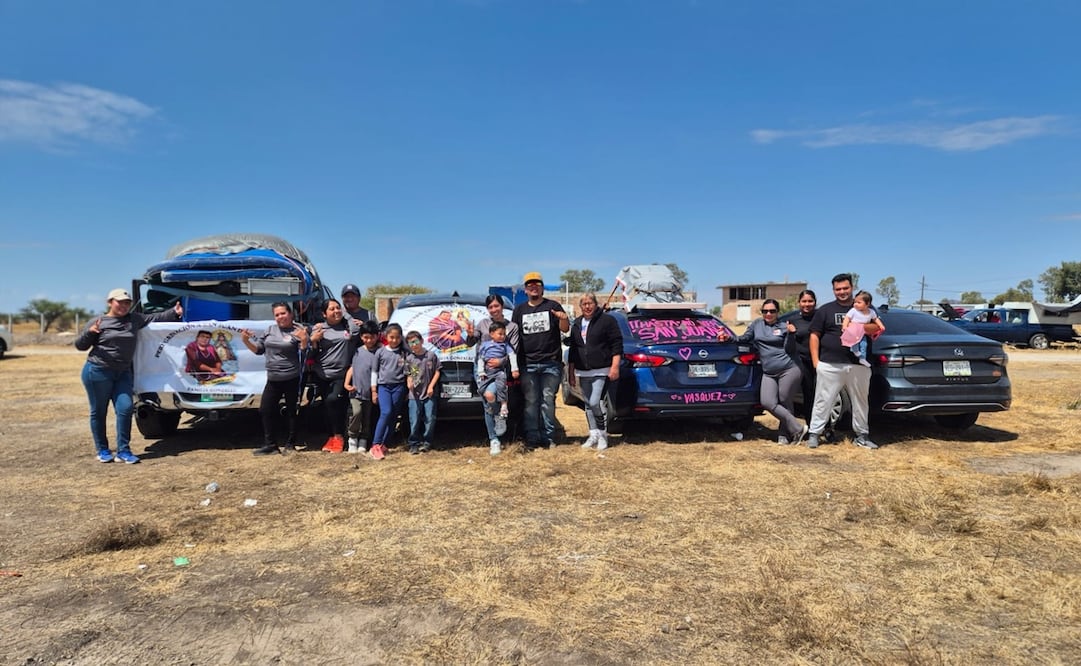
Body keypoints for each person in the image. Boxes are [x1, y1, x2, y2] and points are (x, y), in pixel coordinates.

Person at [75, 288, 183, 464]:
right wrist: (90, 333)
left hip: (123, 372)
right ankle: (102, 449)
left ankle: (123, 451)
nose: (124, 306)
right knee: (98, 411)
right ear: (110, 302)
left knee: (125, 409)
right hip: (98, 371)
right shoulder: (98, 321)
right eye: (120, 302)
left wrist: (174, 312)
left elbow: (156, 318)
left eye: (127, 303)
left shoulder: (134, 319)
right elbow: (80, 346)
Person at [807, 274, 881, 450]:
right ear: (833, 290)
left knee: (861, 401)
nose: (842, 292)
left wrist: (859, 326)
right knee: (823, 400)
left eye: (845, 288)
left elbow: (876, 327)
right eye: (838, 289)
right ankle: (814, 434)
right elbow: (814, 336)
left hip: (859, 364)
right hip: (830, 363)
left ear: (852, 288)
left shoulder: (866, 308)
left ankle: (862, 435)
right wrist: (816, 362)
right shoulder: (825, 310)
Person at [720, 299, 806, 445]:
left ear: (778, 313)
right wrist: (728, 338)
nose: (768, 314)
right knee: (767, 402)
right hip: (769, 371)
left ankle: (784, 435)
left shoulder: (784, 326)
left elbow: (791, 350)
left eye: (772, 311)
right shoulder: (757, 325)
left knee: (785, 400)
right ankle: (798, 427)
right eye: (765, 311)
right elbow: (744, 339)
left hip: (789, 368)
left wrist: (791, 334)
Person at [241, 302, 309, 456]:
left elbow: (305, 356)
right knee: (265, 410)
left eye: (283, 313)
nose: (280, 317)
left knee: (292, 411)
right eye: (277, 315)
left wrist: (304, 341)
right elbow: (259, 350)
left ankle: (291, 444)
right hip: (273, 378)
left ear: (290, 314)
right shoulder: (270, 330)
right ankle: (271, 445)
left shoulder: (298, 331)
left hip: (292, 377)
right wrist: (246, 341)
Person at [511, 272, 570, 449]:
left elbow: (565, 329)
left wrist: (563, 319)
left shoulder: (553, 305)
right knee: (531, 402)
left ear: (542, 288)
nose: (533, 287)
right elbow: (514, 336)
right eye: (530, 285)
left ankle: (549, 437)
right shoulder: (519, 310)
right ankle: (532, 437)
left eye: (537, 284)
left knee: (547, 401)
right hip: (527, 364)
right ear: (526, 290)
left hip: (550, 363)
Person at [565, 292, 623, 451]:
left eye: (590, 303)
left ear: (596, 304)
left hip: (601, 369)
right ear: (580, 306)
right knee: (588, 405)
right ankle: (593, 434)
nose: (587, 306)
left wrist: (615, 366)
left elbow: (617, 344)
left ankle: (603, 435)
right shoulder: (577, 323)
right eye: (584, 304)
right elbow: (573, 350)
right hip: (583, 371)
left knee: (595, 402)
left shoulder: (607, 321)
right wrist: (570, 373)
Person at [310, 298, 359, 453]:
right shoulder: (319, 329)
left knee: (334, 401)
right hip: (322, 373)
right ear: (324, 314)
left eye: (338, 308)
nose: (336, 311)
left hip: (342, 374)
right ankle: (331, 437)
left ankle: (339, 436)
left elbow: (357, 333)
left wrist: (347, 316)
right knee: (327, 405)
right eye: (332, 309)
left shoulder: (347, 326)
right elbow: (311, 353)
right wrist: (313, 341)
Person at [475, 320, 520, 455]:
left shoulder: (505, 346)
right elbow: (480, 358)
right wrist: (481, 371)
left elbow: (512, 356)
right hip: (486, 375)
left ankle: (503, 407)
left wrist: (515, 369)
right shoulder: (485, 345)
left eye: (504, 334)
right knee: (485, 394)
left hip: (499, 373)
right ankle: (497, 417)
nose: (502, 336)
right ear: (491, 334)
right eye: (500, 334)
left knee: (497, 389)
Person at [369, 322, 408, 460]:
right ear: (386, 336)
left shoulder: (404, 353)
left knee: (393, 416)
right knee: (386, 412)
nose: (394, 340)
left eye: (397, 337)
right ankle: (375, 445)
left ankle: (384, 443)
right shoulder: (381, 352)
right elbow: (374, 371)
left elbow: (409, 371)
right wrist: (374, 390)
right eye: (391, 337)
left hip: (399, 387)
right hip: (384, 387)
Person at [344, 320, 381, 454]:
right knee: (356, 413)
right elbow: (352, 368)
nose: (369, 340)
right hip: (356, 390)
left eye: (372, 337)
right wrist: (346, 383)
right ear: (361, 337)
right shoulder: (358, 352)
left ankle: (363, 441)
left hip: (370, 392)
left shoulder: (379, 352)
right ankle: (352, 438)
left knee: (367, 417)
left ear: (377, 336)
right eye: (366, 337)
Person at [404, 330, 441, 454]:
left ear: (421, 341)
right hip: (414, 395)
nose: (414, 345)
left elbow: (437, 371)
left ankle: (427, 442)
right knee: (414, 419)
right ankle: (413, 443)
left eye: (415, 341)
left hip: (429, 394)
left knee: (429, 418)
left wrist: (431, 386)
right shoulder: (410, 359)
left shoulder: (430, 356)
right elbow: (410, 373)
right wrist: (409, 382)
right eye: (410, 343)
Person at [784, 289, 818, 422]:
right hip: (803, 362)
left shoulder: (821, 317)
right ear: (799, 303)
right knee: (809, 395)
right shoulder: (793, 320)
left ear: (815, 302)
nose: (807, 304)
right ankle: (811, 427)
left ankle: (827, 428)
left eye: (810, 301)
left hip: (822, 361)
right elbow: (788, 345)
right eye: (804, 301)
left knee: (823, 395)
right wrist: (791, 333)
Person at [841, 290, 885, 368]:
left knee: (864, 344)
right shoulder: (853, 311)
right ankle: (854, 350)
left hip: (862, 333)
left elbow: (876, 319)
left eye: (859, 302)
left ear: (867, 304)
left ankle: (862, 358)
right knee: (855, 342)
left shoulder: (871, 312)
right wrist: (844, 326)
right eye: (855, 302)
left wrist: (881, 326)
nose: (855, 304)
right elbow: (847, 318)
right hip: (854, 331)